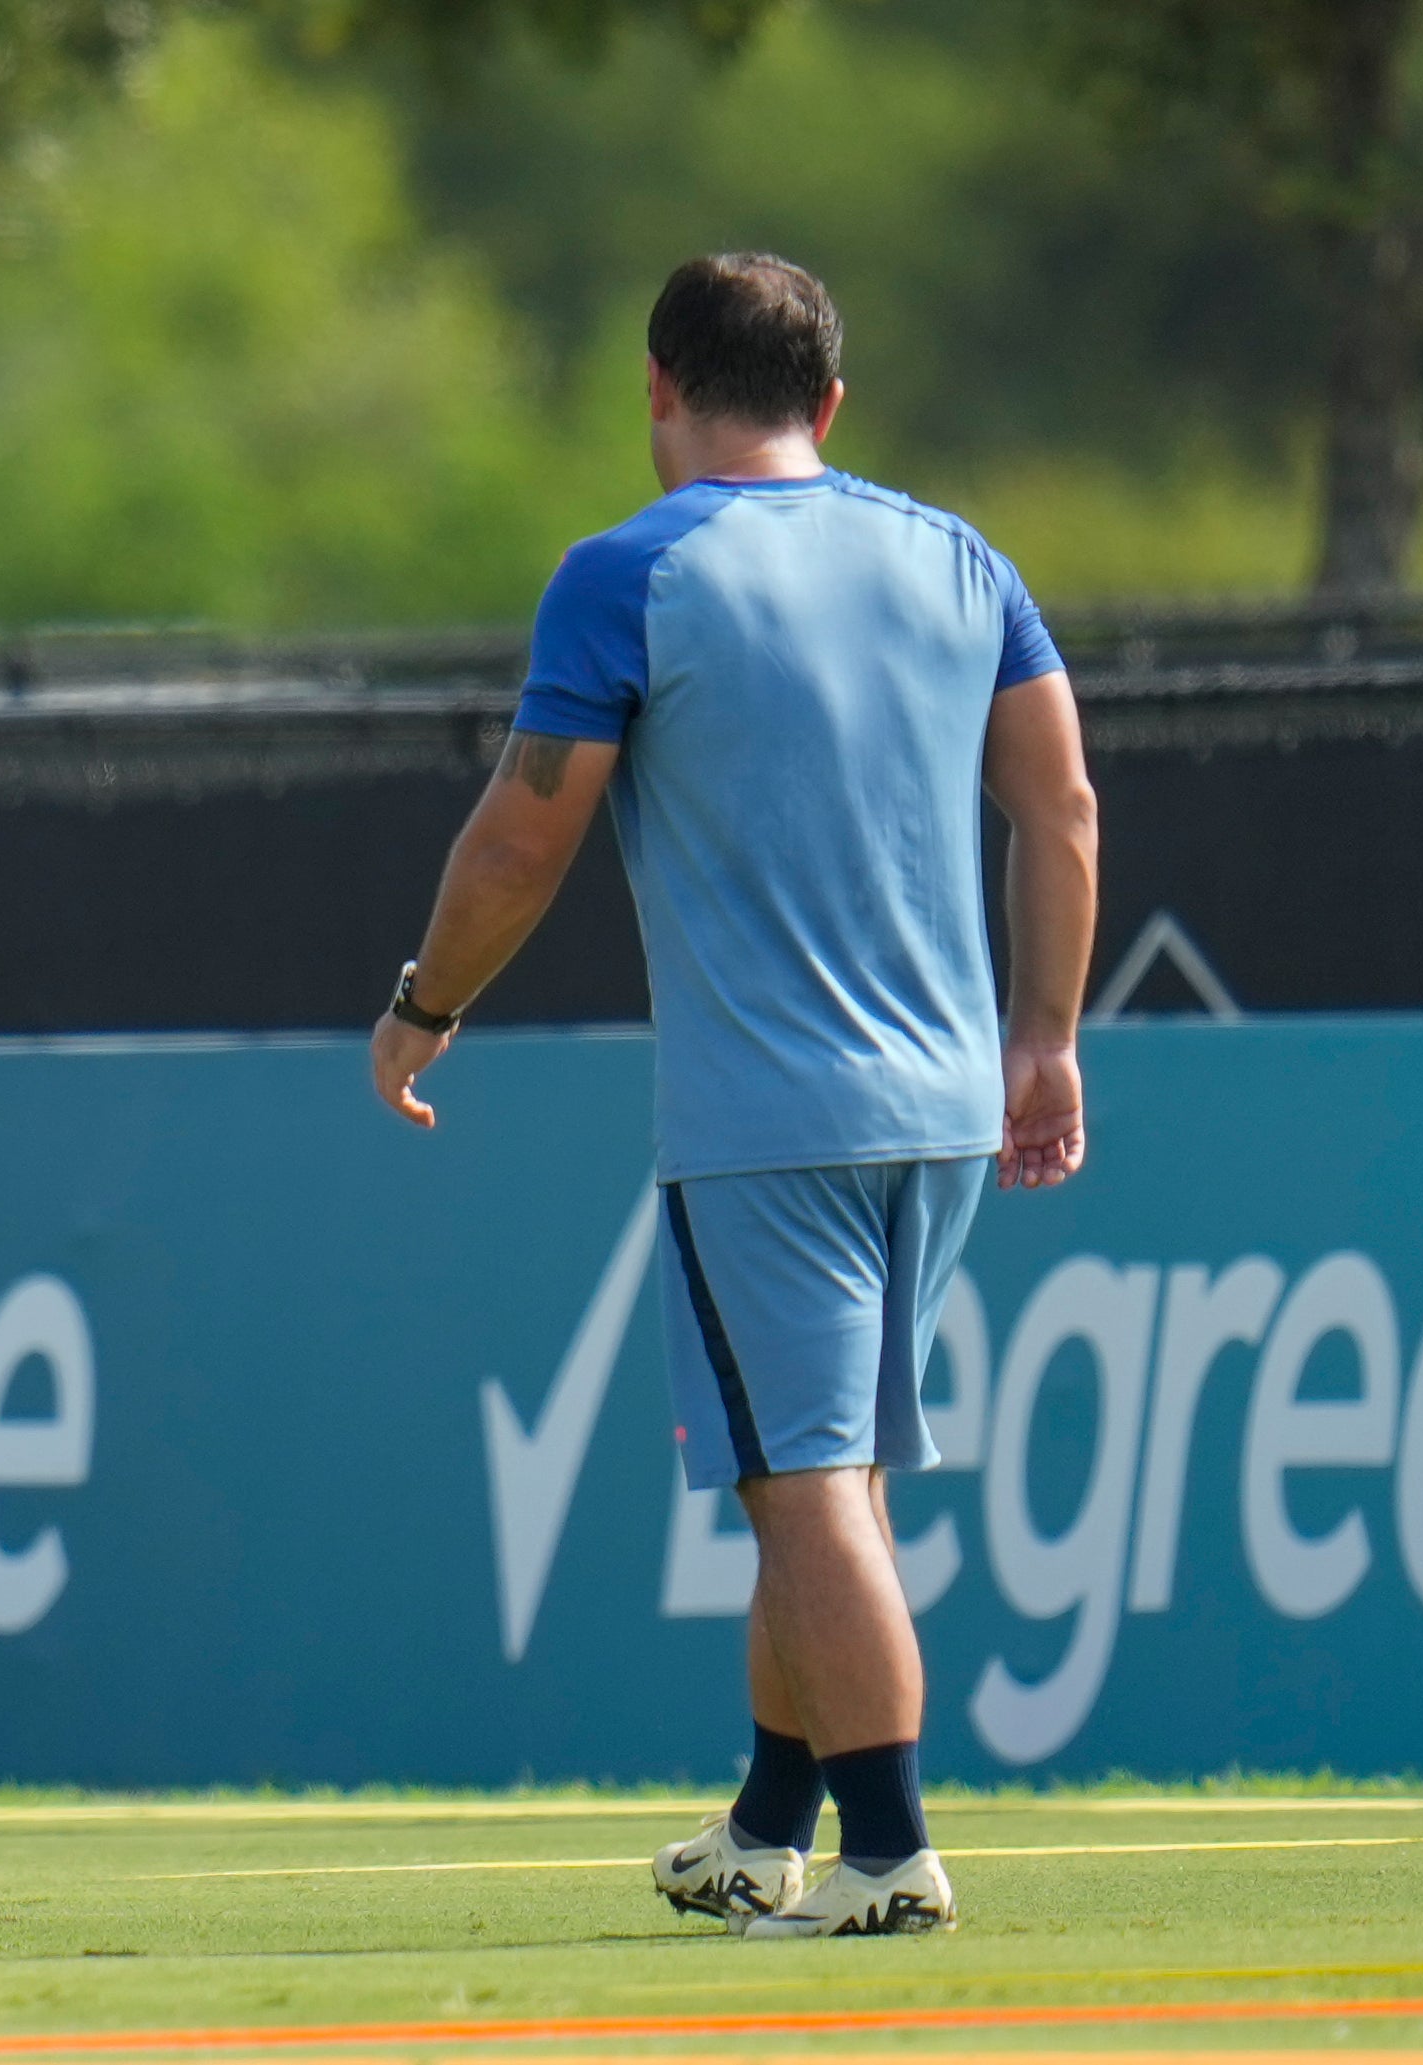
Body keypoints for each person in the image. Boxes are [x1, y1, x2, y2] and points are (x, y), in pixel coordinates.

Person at [368, 253, 1097, 1937]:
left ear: (655, 388)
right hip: (941, 1106)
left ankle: (887, 1854)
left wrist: (425, 1003)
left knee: (804, 1485)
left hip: (772, 1120)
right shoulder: (956, 555)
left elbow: (520, 836)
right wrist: (1044, 1038)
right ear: (830, 405)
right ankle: (772, 1816)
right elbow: (1057, 808)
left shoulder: (630, 572)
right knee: (831, 1479)